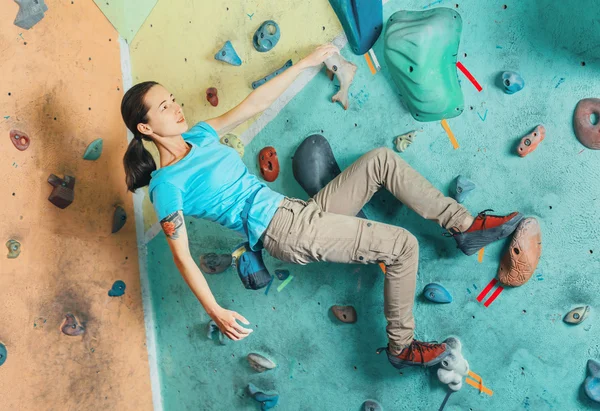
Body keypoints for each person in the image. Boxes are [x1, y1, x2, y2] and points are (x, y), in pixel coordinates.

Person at [120, 44, 523, 370]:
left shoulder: (202, 135)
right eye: (164, 106)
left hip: (297, 212)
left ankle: (465, 227)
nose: (176, 107)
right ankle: (402, 347)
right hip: (283, 230)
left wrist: (307, 63)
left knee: (380, 160)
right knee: (403, 247)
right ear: (145, 128)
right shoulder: (166, 185)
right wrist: (215, 311)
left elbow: (253, 104)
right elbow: (182, 255)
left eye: (172, 98)